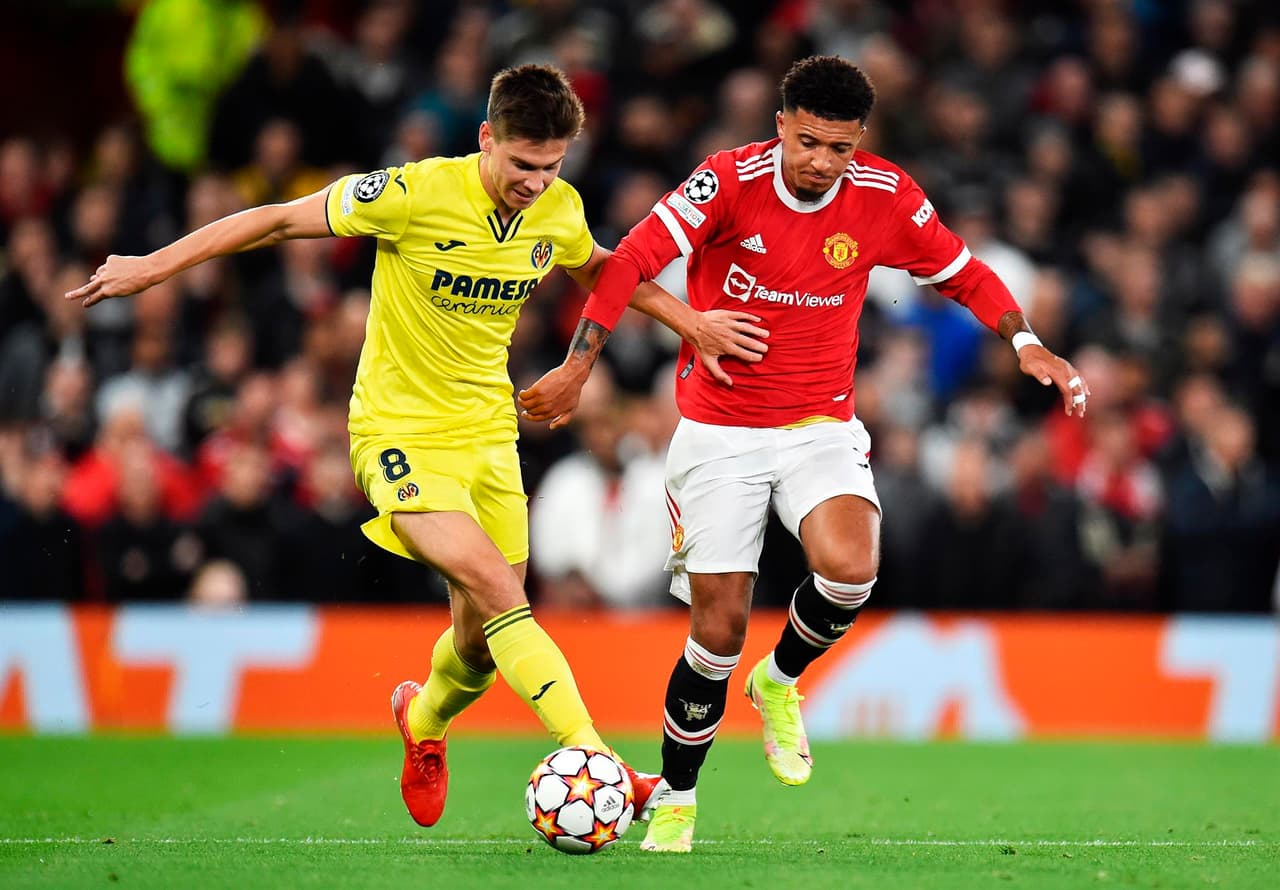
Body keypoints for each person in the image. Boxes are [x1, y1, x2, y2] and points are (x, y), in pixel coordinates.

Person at [66, 64, 769, 830]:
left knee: (476, 647)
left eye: (552, 165)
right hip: (397, 435)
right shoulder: (409, 194)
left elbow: (607, 269)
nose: (536, 182)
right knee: (507, 598)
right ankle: (599, 761)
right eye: (522, 163)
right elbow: (272, 219)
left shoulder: (558, 210)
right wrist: (151, 268)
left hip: (489, 437)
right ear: (485, 140)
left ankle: (423, 719)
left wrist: (691, 322)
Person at [519, 55, 1091, 853]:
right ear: (782, 123)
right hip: (719, 431)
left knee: (852, 569)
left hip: (820, 426)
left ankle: (779, 679)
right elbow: (630, 262)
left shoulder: (887, 197)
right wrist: (585, 364)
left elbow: (963, 272)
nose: (822, 162)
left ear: (861, 141)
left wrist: (1028, 342)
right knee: (717, 629)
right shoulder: (726, 182)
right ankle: (678, 799)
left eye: (841, 147)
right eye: (810, 141)